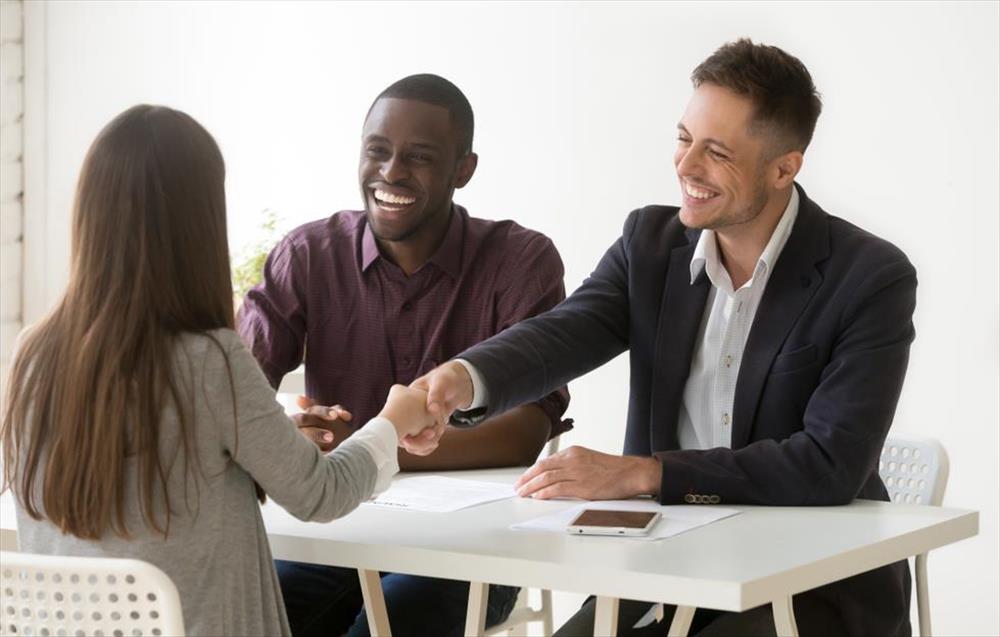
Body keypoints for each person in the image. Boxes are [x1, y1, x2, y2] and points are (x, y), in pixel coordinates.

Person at [415, 40, 916, 637]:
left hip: (809, 589)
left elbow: (829, 464)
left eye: (717, 152)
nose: (685, 165)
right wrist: (460, 380)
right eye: (684, 138)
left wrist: (646, 474)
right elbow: (563, 333)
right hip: (664, 570)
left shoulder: (869, 277)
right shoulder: (648, 245)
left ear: (784, 168)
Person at [0, 105, 439, 637]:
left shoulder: (32, 356)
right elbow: (322, 494)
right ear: (199, 222)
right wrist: (395, 418)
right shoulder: (209, 360)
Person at [237, 74, 571, 637]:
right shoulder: (308, 255)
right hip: (336, 532)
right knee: (256, 614)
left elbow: (524, 431)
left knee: (392, 618)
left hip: (474, 548)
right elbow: (233, 397)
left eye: (418, 157)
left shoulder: (521, 261)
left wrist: (365, 450)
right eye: (378, 151)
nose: (391, 173)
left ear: (462, 170)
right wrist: (290, 430)